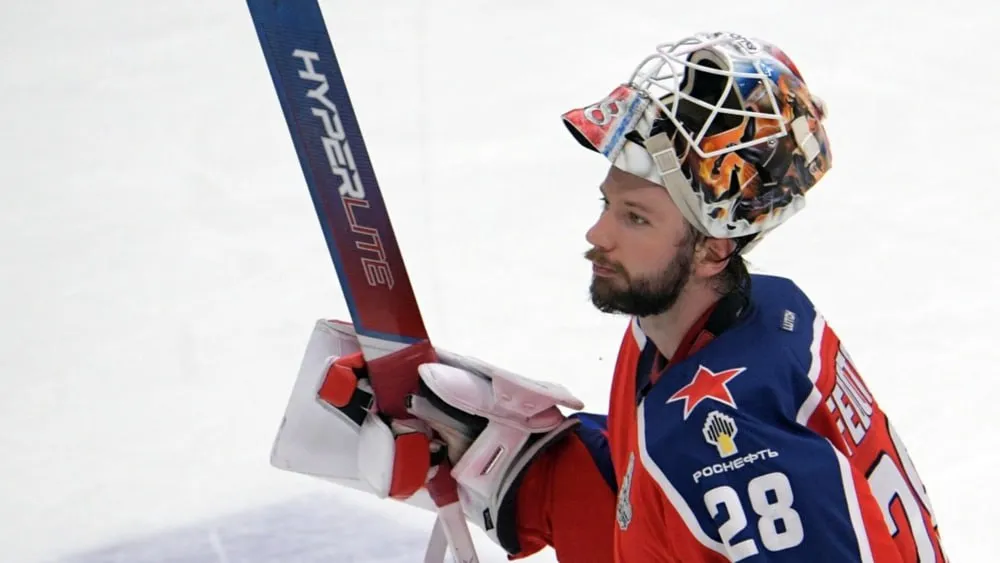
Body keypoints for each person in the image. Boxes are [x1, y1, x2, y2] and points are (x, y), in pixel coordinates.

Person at [271, 31, 948, 562]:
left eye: (636, 218)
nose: (598, 235)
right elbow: (663, 495)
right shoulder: (732, 321)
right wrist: (508, 461)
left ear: (713, 247)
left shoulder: (732, 439)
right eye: (608, 205)